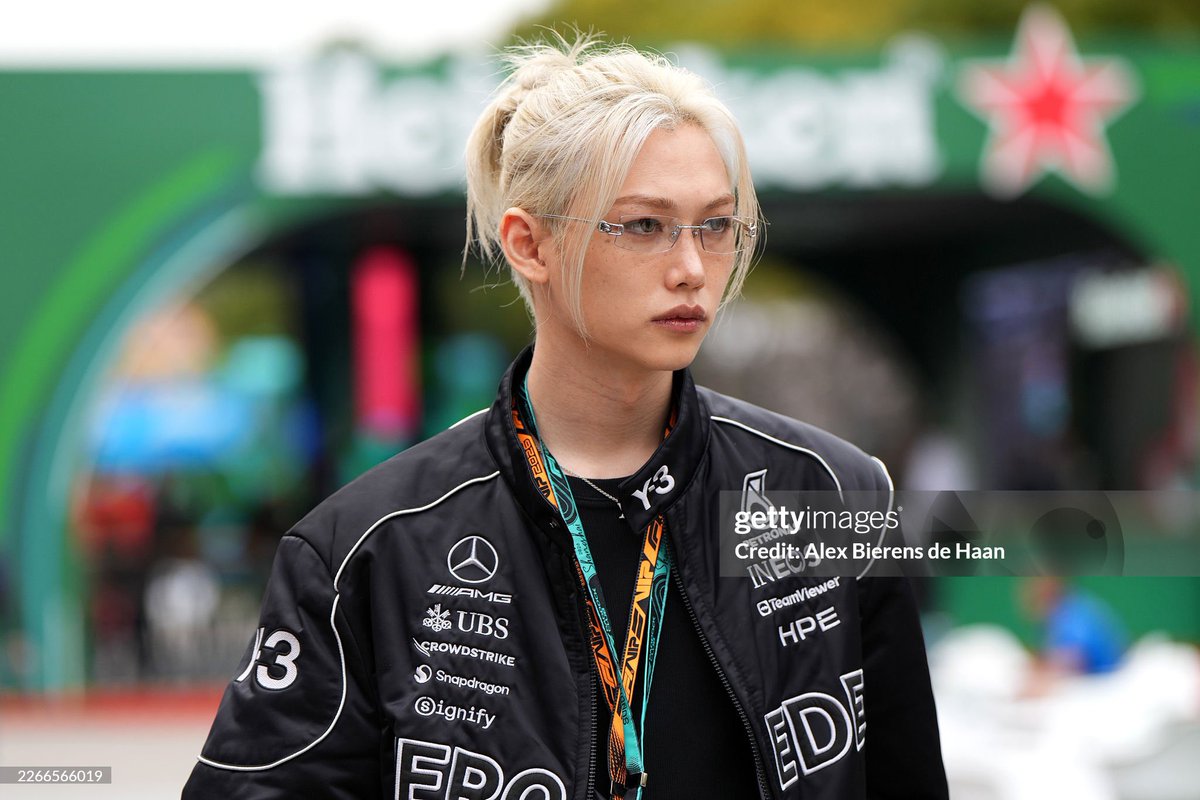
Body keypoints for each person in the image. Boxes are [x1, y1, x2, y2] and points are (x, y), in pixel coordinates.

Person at [183, 34, 947, 800]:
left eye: (716, 226)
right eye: (644, 226)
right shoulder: (366, 547)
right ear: (529, 244)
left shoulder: (833, 491)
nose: (690, 267)